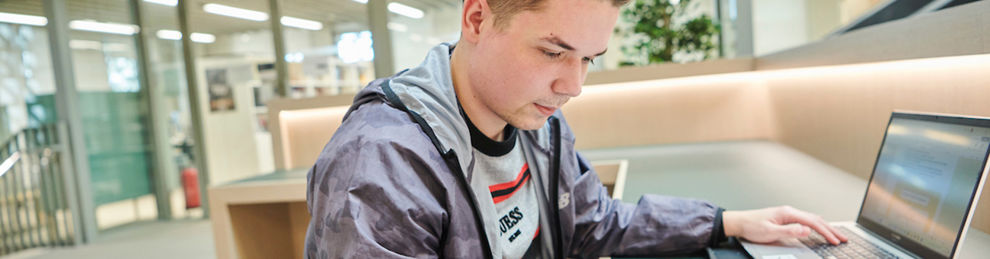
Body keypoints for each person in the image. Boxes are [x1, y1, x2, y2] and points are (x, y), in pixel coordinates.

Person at [304, 0, 848, 257]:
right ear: (477, 19)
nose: (573, 85)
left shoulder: (537, 121)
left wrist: (727, 222)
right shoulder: (382, 161)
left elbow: (592, 222)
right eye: (552, 52)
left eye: (589, 58)